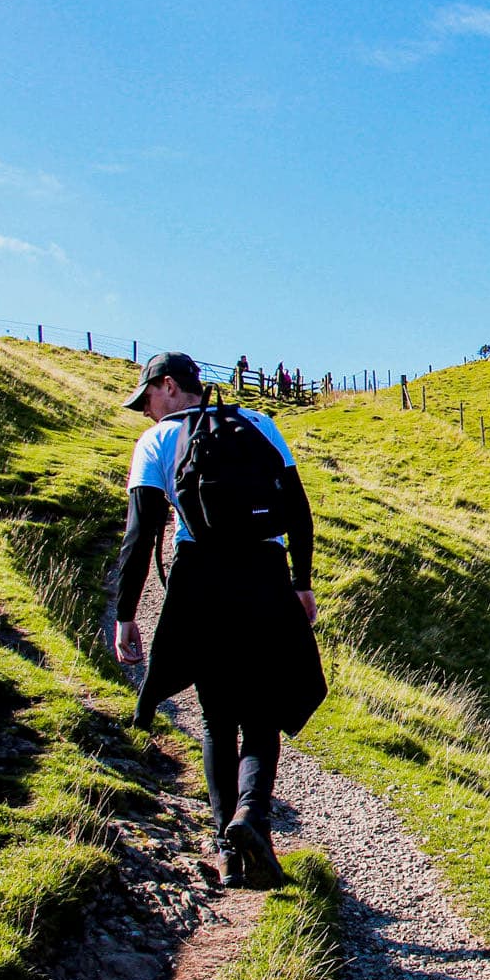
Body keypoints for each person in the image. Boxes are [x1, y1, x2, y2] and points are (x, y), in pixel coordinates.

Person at [112, 352, 326, 888]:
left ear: (167, 386)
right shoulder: (257, 423)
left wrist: (125, 614)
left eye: (148, 401)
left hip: (200, 578)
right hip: (263, 571)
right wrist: (301, 582)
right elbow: (297, 510)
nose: (146, 413)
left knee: (216, 718)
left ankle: (226, 850)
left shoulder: (157, 442)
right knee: (261, 712)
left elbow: (141, 536)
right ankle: (252, 819)